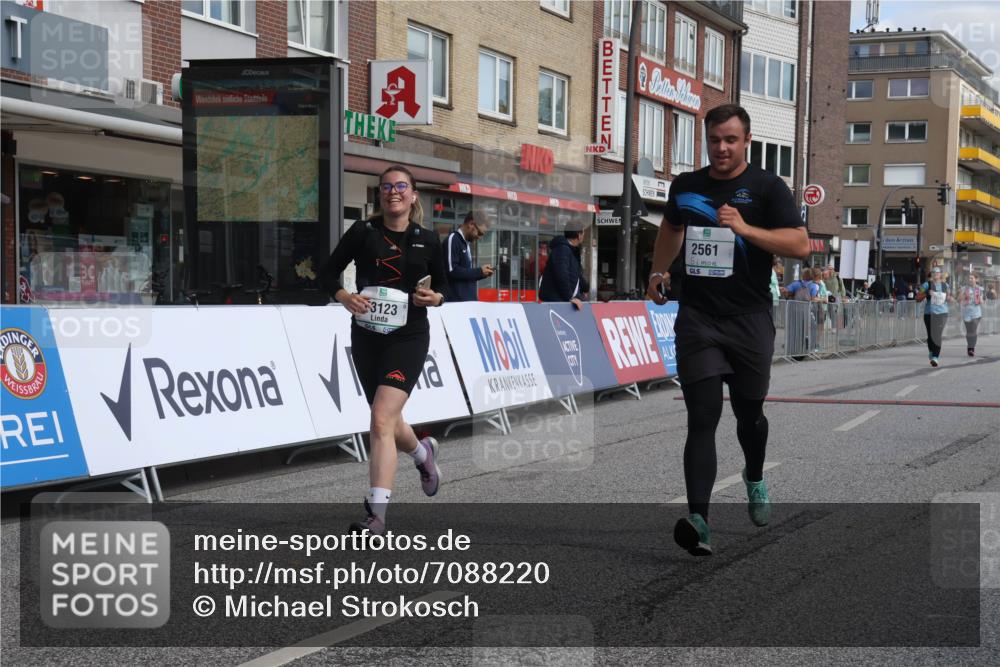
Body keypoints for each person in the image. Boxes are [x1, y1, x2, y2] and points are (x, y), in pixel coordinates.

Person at [645, 104, 809, 555]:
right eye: (715, 139)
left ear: (746, 141)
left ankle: (754, 476)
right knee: (702, 418)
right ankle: (699, 521)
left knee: (749, 416)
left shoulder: (766, 187)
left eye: (730, 140)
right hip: (698, 318)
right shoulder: (687, 185)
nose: (721, 148)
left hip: (749, 320)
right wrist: (659, 272)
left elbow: (799, 243)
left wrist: (745, 228)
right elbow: (671, 227)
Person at [321, 165, 447, 535]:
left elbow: (445, 287)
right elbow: (327, 274)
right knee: (388, 421)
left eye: (401, 186)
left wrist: (435, 297)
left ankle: (376, 515)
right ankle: (423, 455)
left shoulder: (428, 239)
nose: (394, 192)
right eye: (387, 187)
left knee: (379, 419)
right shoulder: (363, 232)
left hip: (408, 338)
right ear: (380, 195)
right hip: (367, 337)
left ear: (413, 196)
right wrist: (345, 297)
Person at [443, 209, 494, 301]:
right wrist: (479, 271)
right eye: (479, 233)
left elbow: (465, 274)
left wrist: (482, 273)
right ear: (471, 224)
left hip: (467, 304)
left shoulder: (465, 244)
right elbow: (452, 271)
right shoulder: (453, 239)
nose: (479, 237)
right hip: (456, 305)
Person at [539, 228, 589, 308]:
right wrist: (570, 297)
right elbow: (561, 274)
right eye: (583, 233)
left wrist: (585, 288)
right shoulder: (562, 249)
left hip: (564, 300)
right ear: (579, 235)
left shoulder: (572, 250)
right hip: (557, 302)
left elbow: (576, 274)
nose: (583, 236)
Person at [916, 266, 950, 367]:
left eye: (937, 273)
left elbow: (948, 297)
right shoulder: (926, 285)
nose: (936, 274)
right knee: (930, 336)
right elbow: (918, 298)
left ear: (940, 274)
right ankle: (931, 351)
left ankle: (935, 357)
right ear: (931, 274)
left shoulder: (945, 285)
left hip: (942, 313)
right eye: (934, 273)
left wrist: (949, 298)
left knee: (937, 335)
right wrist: (926, 293)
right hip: (929, 313)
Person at [960, 273, 984, 357]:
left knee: (973, 330)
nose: (970, 280)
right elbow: (960, 299)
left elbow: (981, 301)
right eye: (969, 278)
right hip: (966, 313)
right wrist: (964, 296)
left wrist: (980, 300)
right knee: (968, 331)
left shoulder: (979, 289)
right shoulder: (964, 288)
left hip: (976, 313)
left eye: (972, 278)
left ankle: (972, 348)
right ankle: (969, 347)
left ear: (976, 279)